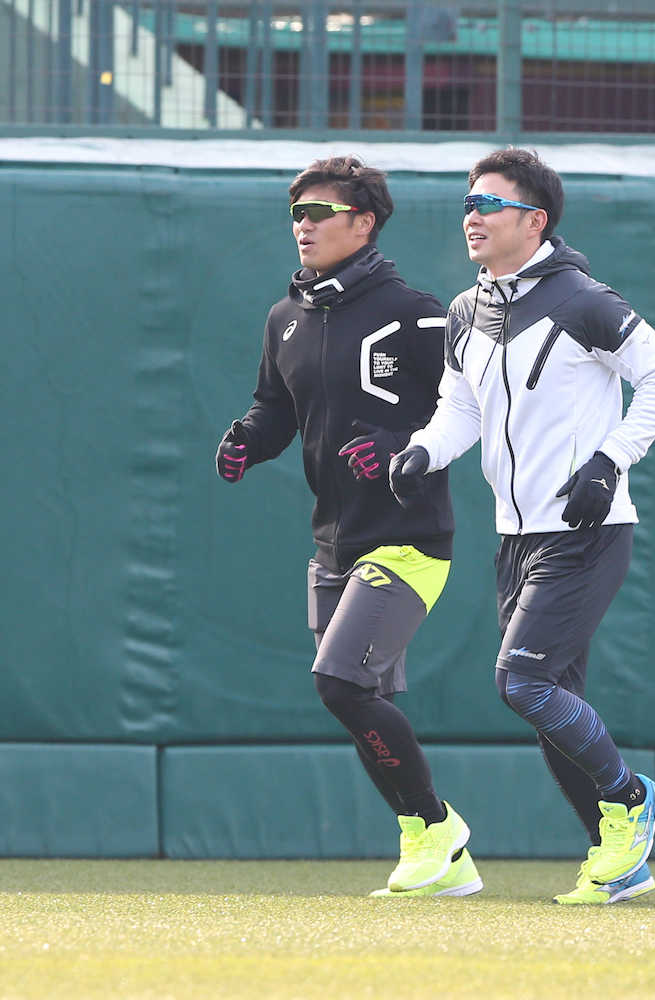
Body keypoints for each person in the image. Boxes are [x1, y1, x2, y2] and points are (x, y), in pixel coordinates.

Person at [389, 148, 655, 904]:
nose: (472, 216)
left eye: (489, 203)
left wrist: (610, 459)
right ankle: (618, 862)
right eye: (467, 202)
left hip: (586, 530)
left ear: (535, 220)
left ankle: (632, 799)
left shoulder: (584, 299)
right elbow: (459, 407)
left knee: (521, 680)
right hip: (515, 538)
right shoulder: (466, 310)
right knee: (551, 704)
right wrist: (424, 451)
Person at [215, 155, 480, 899]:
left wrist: (400, 447)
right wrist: (249, 439)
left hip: (410, 538)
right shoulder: (285, 318)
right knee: (360, 702)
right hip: (334, 541)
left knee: (340, 684)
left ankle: (436, 827)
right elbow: (276, 408)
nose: (302, 225)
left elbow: (466, 410)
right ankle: (440, 858)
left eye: (319, 213)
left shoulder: (417, 312)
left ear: (363, 224)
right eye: (295, 213)